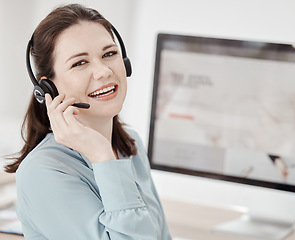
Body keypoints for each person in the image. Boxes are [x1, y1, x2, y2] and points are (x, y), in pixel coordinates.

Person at [5, 4, 172, 240]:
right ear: (49, 87)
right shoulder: (42, 172)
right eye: (79, 63)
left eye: (109, 54)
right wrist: (103, 156)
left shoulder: (130, 144)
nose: (103, 71)